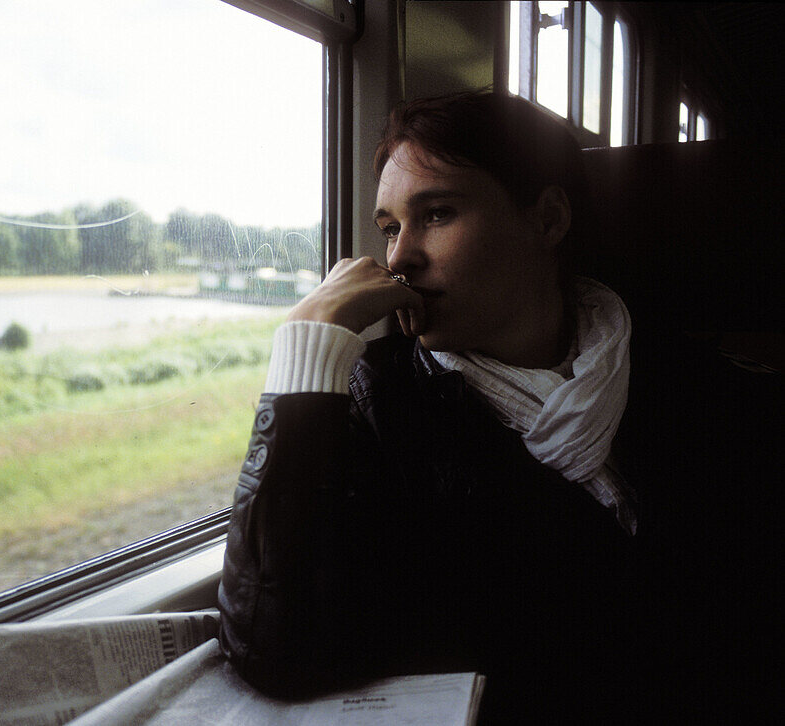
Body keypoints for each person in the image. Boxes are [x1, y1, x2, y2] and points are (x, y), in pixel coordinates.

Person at [216, 91, 780, 724]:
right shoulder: (378, 406)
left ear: (546, 221)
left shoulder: (698, 387)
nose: (399, 259)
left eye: (437, 214)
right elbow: (272, 647)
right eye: (390, 228)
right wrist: (307, 348)